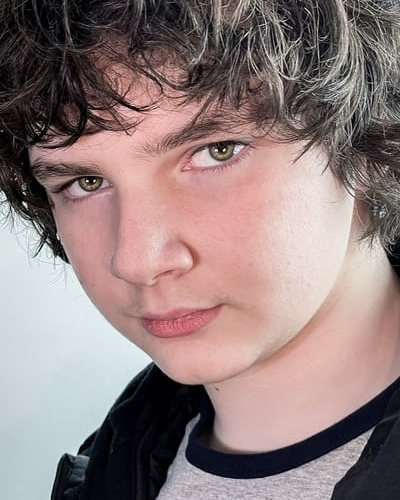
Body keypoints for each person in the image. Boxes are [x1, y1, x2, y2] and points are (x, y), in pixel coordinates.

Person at [1, 1, 400, 499]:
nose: (137, 261)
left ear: (364, 140)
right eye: (86, 182)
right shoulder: (106, 474)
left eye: (216, 151)